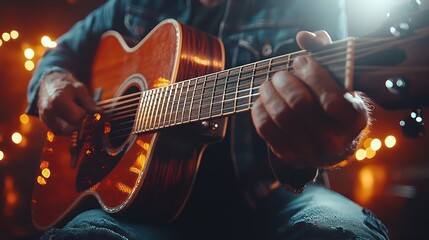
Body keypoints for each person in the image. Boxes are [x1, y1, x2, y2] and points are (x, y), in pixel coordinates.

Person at [27, 0, 389, 239]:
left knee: (342, 233)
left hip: (275, 196)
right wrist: (50, 80)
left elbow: (338, 97)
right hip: (143, 209)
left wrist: (333, 138)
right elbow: (62, 50)